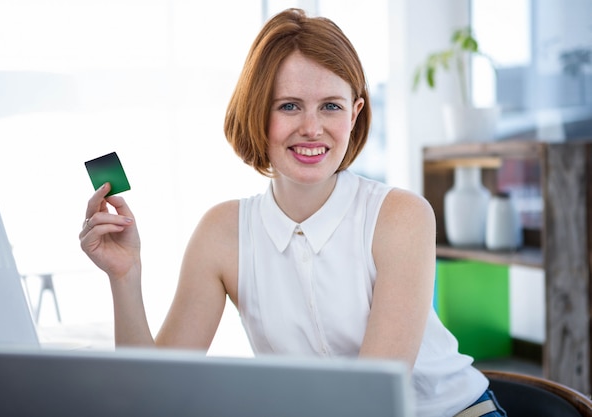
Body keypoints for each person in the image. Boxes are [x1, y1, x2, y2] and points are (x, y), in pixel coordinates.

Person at [79, 8, 506, 417]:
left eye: (331, 106)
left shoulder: (402, 217)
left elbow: (371, 401)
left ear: (355, 114)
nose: (312, 128)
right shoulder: (222, 234)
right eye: (289, 106)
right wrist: (125, 276)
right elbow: (153, 398)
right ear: (257, 113)